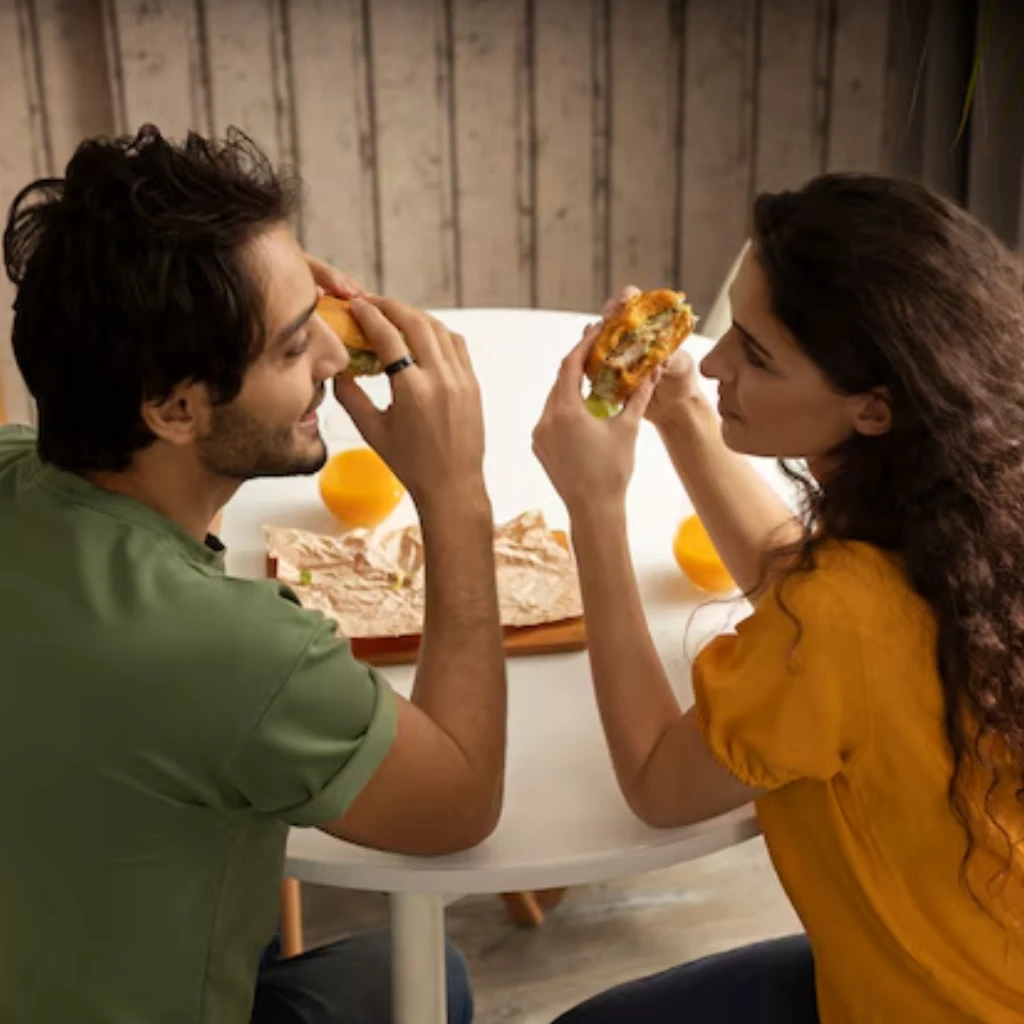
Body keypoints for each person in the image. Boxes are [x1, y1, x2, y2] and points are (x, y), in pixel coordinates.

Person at [0, 126, 507, 1024]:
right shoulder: (241, 655)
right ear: (174, 407)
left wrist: (260, 282)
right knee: (433, 978)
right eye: (289, 346)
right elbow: (460, 803)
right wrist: (456, 492)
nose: (328, 361)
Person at [533, 174, 1024, 1022]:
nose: (716, 359)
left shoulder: (841, 620)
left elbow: (657, 783)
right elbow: (807, 588)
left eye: (755, 354)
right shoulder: (975, 519)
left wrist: (594, 509)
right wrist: (683, 409)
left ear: (873, 409)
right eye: (732, 326)